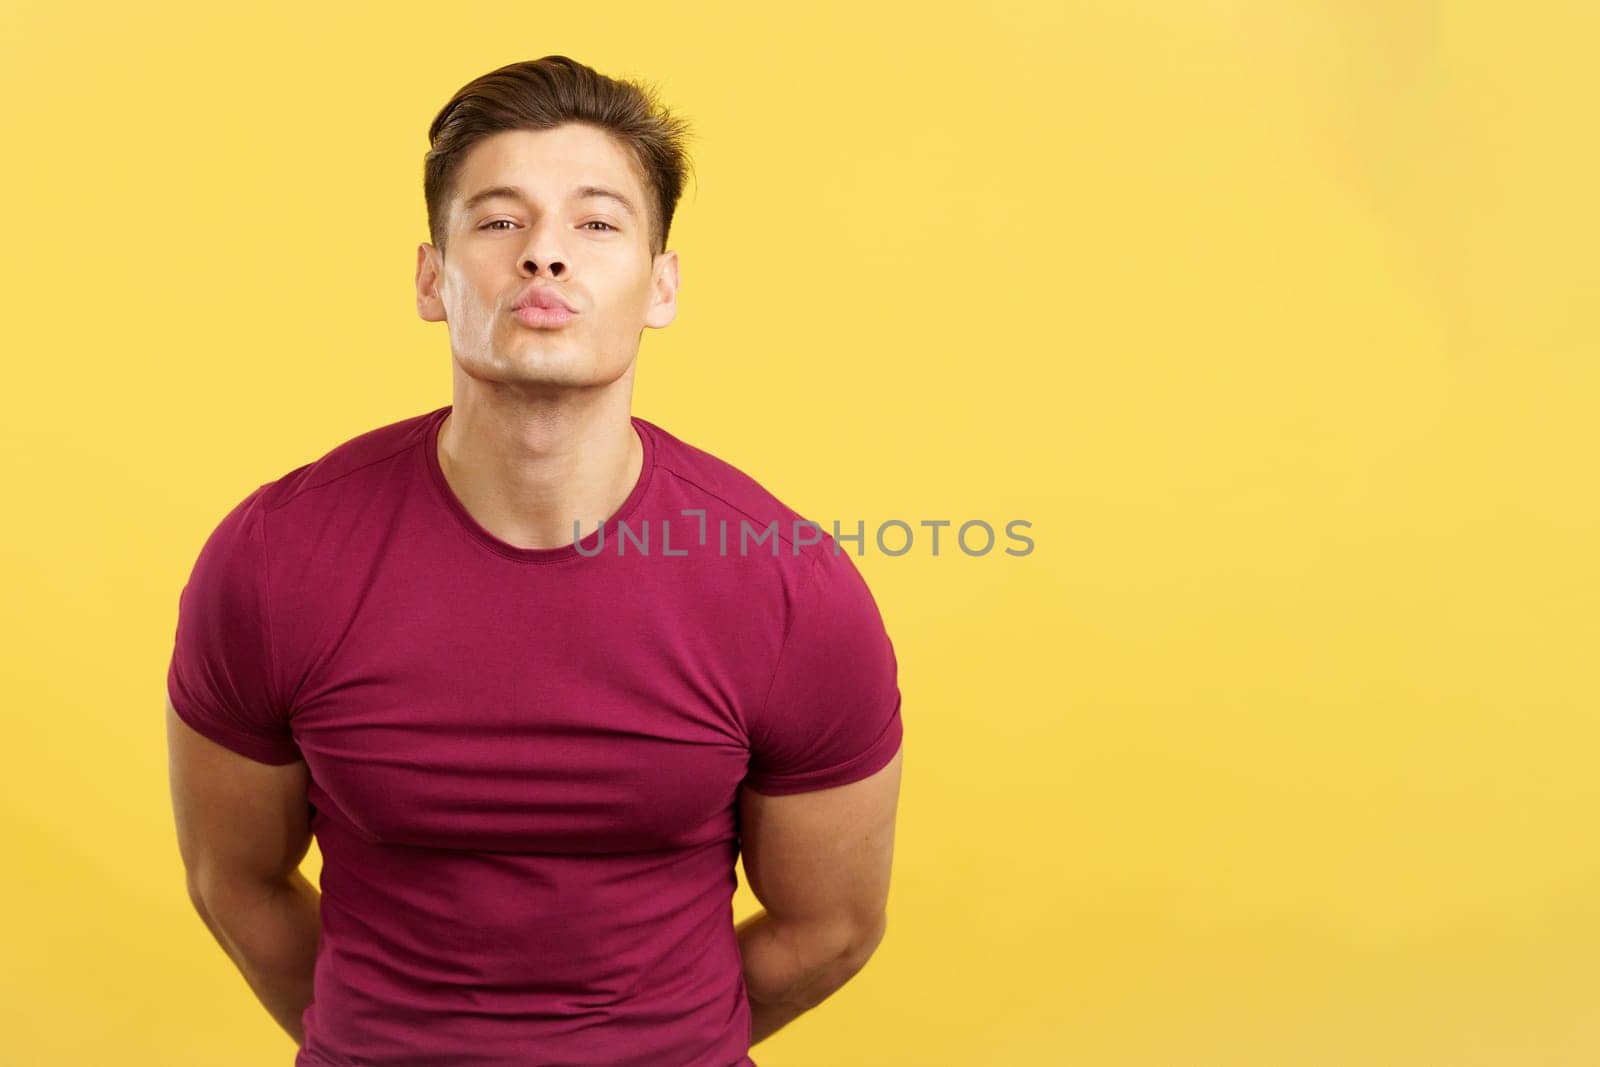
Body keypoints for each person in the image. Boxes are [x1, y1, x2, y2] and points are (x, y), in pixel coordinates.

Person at [164, 55, 904, 1067]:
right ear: (432, 278)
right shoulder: (273, 559)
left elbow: (833, 923)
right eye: (498, 221)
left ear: (662, 283)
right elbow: (233, 881)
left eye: (596, 224)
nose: (544, 256)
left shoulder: (788, 584)